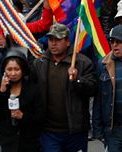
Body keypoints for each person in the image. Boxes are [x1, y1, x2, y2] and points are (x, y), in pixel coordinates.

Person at [32, 23, 97, 152]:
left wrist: (78, 79)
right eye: (51, 40)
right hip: (48, 132)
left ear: (67, 42)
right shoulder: (39, 63)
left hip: (75, 131)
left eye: (58, 40)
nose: (53, 44)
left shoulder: (82, 63)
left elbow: (93, 89)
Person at [0, 48, 45, 152]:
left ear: (23, 70)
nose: (13, 73)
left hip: (27, 143)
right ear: (4, 71)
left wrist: (23, 116)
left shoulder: (33, 89)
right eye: (9, 69)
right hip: (5, 142)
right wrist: (2, 91)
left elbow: (40, 117)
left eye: (17, 69)